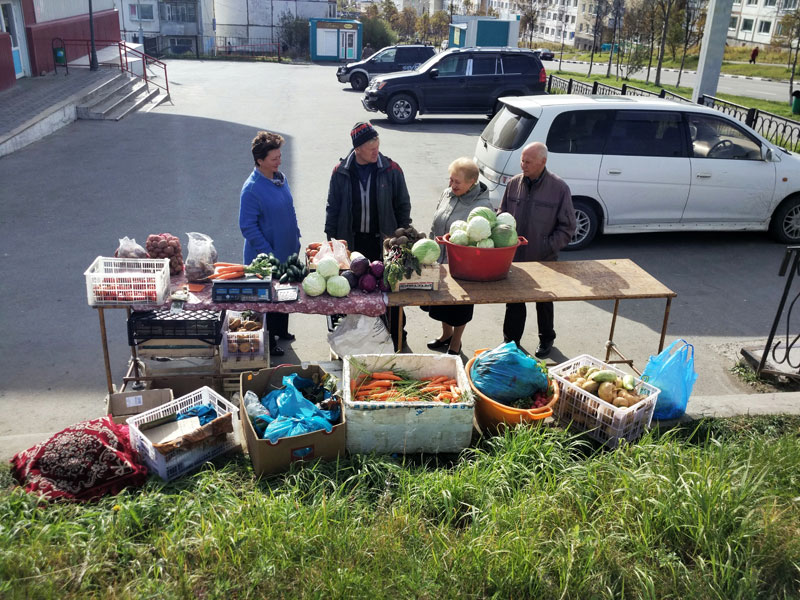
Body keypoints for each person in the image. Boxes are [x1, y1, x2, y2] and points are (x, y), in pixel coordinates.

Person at [325, 122, 412, 347]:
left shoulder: (392, 169)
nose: (376, 150)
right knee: (353, 290)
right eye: (370, 146)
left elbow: (403, 205)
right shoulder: (340, 171)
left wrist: (402, 236)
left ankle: (396, 334)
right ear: (357, 149)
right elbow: (332, 206)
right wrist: (332, 239)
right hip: (352, 242)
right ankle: (353, 337)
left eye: (377, 145)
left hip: (383, 242)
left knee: (389, 292)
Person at [500, 142, 576, 359]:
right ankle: (511, 342)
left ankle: (546, 338)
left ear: (543, 162)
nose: (523, 165)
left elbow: (568, 226)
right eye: (522, 160)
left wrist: (547, 246)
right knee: (514, 300)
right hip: (515, 256)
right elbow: (503, 211)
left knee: (544, 301)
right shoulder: (514, 183)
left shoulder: (559, 188)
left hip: (544, 258)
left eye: (528, 161)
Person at [239, 131, 301, 357]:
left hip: (286, 250)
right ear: (260, 160)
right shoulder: (252, 189)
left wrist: (297, 235)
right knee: (268, 299)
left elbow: (289, 208)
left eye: (280, 156)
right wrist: (268, 253)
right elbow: (248, 227)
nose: (279, 161)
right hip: (266, 256)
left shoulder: (279, 178)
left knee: (284, 293)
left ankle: (281, 331)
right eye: (274, 158)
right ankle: (269, 339)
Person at [424, 157, 493, 356]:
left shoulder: (482, 206)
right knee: (441, 304)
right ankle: (445, 334)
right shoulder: (448, 193)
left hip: (464, 266)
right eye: (451, 180)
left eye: (457, 182)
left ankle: (456, 342)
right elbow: (436, 221)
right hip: (440, 258)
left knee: (459, 307)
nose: (451, 185)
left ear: (472, 182)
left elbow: (480, 240)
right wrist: (429, 247)